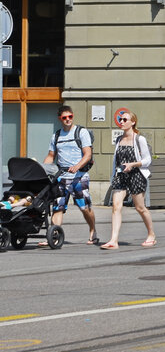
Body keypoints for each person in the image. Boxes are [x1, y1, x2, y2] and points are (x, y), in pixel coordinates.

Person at [42, 105, 98, 246]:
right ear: (60, 118)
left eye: (70, 117)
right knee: (58, 207)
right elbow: (51, 156)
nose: (68, 120)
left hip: (79, 176)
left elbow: (87, 153)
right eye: (64, 117)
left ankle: (93, 231)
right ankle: (53, 235)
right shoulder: (56, 135)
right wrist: (42, 170)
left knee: (84, 207)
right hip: (61, 176)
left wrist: (77, 166)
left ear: (72, 116)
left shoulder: (81, 132)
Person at [101, 109, 156, 249]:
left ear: (133, 122)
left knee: (140, 207)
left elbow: (147, 160)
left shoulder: (139, 139)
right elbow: (116, 159)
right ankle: (113, 240)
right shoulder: (119, 139)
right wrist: (114, 174)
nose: (121, 122)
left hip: (136, 175)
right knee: (116, 206)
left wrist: (133, 164)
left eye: (125, 120)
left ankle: (151, 234)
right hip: (120, 175)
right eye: (121, 119)